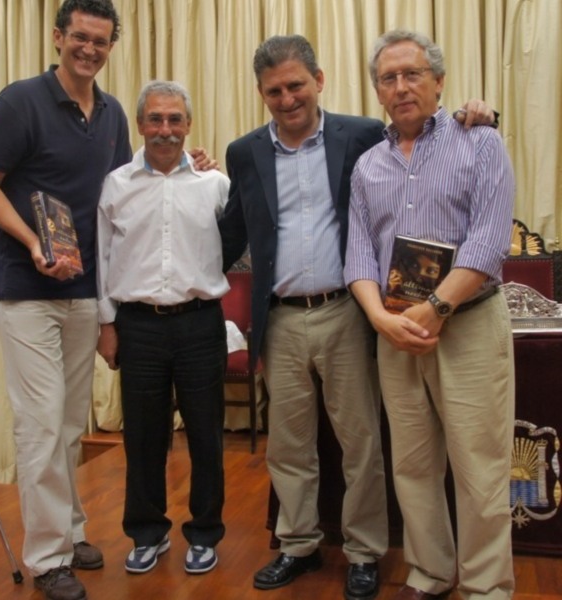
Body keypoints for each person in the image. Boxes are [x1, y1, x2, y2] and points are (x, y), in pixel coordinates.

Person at [218, 34, 497, 600]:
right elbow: (231, 232)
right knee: (289, 444)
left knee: (362, 441)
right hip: (288, 315)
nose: (288, 98)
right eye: (275, 90)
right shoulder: (245, 152)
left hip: (350, 311)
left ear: (319, 81)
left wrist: (484, 112)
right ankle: (297, 543)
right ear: (261, 94)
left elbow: (435, 133)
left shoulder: (364, 136)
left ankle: (366, 552)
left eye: (297, 84)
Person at [0, 2, 213, 599]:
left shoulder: (108, 116)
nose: (89, 49)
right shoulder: (20, 101)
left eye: (101, 41)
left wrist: (190, 163)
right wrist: (30, 242)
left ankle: (71, 528)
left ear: (110, 46)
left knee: (69, 421)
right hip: (27, 291)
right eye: (80, 37)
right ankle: (48, 556)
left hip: (84, 291)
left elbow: (124, 193)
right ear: (59, 38)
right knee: (41, 424)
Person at [344, 29, 515, 600]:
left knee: (480, 467)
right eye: (388, 79)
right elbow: (359, 255)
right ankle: (431, 573)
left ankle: (487, 587)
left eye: (412, 73)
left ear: (439, 81)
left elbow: (489, 242)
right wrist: (381, 320)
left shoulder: (480, 142)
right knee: (413, 465)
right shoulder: (368, 165)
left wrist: (439, 306)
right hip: (397, 333)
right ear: (377, 91)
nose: (400, 87)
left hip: (467, 324)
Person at [96, 80, 229, 576]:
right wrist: (106, 325)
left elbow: (238, 243)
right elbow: (102, 261)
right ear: (140, 124)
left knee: (206, 436)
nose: (165, 129)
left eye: (175, 119)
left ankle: (205, 532)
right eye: (156, 119)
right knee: (144, 438)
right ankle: (147, 532)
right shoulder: (116, 186)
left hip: (200, 325)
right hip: (139, 327)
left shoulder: (216, 184)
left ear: (189, 124)